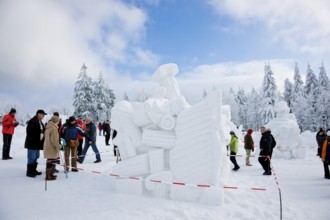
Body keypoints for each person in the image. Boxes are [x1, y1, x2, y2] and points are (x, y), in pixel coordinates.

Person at [25, 109, 47, 178]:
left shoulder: (40, 122)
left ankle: (33, 170)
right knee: (31, 157)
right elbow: (30, 133)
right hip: (32, 144)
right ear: (39, 114)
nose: (43, 116)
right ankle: (29, 172)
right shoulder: (33, 121)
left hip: (37, 144)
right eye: (43, 114)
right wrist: (34, 141)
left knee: (36, 157)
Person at [43, 115, 62, 181]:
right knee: (51, 161)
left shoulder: (48, 127)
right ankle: (48, 176)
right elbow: (54, 140)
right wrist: (59, 146)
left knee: (50, 161)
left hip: (48, 147)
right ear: (56, 121)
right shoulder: (54, 128)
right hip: (52, 148)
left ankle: (50, 174)